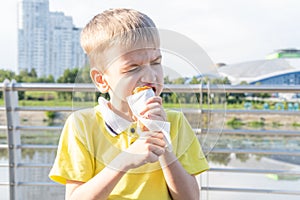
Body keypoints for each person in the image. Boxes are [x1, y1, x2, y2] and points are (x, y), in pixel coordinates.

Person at [49, 8, 209, 200]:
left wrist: (164, 144)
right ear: (101, 80)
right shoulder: (82, 124)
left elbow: (190, 198)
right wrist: (124, 160)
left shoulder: (175, 122)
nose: (150, 76)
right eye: (133, 68)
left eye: (156, 62)